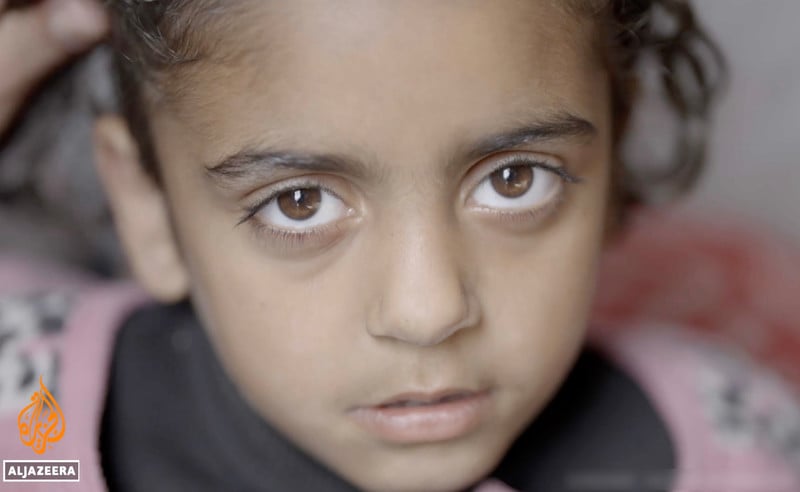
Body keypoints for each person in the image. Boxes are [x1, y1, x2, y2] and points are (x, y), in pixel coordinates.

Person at [1, 1, 799, 491]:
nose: (429, 312)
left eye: (516, 180)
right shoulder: (22, 419)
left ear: (614, 155)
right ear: (147, 205)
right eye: (299, 201)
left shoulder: (740, 452)